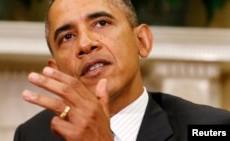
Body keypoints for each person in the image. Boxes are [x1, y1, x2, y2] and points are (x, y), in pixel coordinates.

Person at [14, 0, 230, 141]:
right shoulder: (32, 135)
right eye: (67, 37)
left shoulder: (210, 128)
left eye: (101, 23)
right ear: (56, 70)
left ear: (141, 41)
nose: (85, 44)